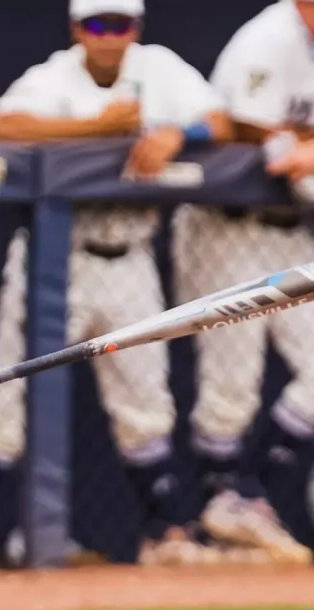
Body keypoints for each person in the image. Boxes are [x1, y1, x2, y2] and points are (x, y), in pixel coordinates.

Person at [0, 0, 234, 572]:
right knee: (6, 396)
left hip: (130, 256)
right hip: (55, 258)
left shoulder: (161, 68)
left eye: (120, 25)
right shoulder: (52, 77)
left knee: (145, 399)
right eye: (97, 24)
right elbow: (6, 124)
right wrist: (97, 129)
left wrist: (176, 132)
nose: (109, 36)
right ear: (76, 30)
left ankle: (164, 533)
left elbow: (218, 123)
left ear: (136, 29)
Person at [169, 0, 314, 565]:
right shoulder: (268, 38)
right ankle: (220, 505)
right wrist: (291, 144)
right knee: (233, 380)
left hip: (290, 232)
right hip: (228, 230)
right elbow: (252, 131)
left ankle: (246, 494)